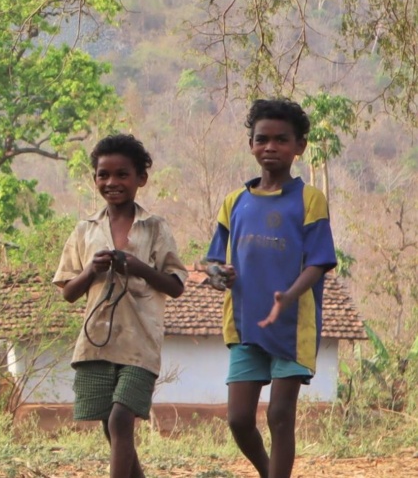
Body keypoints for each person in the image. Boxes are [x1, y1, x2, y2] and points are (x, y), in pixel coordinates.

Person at [205, 99, 337, 478]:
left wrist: (290, 295)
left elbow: (319, 261)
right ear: (251, 144)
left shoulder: (309, 199)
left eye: (281, 140)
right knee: (239, 420)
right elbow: (214, 261)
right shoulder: (234, 203)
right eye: (262, 139)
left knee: (280, 414)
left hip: (293, 327)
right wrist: (217, 276)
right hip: (246, 324)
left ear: (300, 146)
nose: (270, 147)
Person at [54, 134, 187, 478]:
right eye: (103, 175)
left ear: (140, 179)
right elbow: (68, 292)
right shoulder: (85, 230)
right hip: (97, 341)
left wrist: (138, 267)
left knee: (120, 418)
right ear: (95, 178)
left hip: (140, 342)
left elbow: (175, 285)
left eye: (122, 174)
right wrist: (91, 270)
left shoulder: (155, 228)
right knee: (110, 426)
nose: (111, 182)